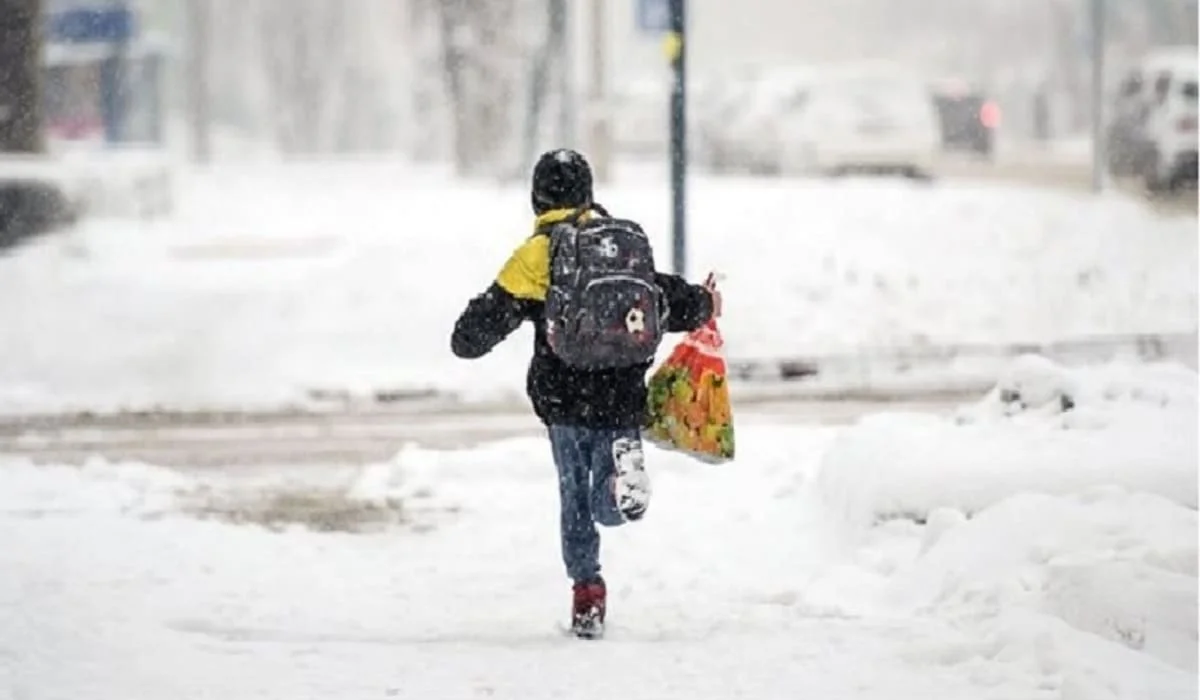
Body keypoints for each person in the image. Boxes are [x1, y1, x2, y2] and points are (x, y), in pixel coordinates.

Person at [450, 148, 720, 638]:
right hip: (621, 393)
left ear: (537, 197)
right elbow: (666, 297)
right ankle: (620, 488)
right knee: (606, 497)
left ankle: (587, 593)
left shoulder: (538, 253)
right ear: (589, 193)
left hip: (565, 397)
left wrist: (471, 330)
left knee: (575, 498)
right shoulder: (621, 243)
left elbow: (474, 334)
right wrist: (704, 301)